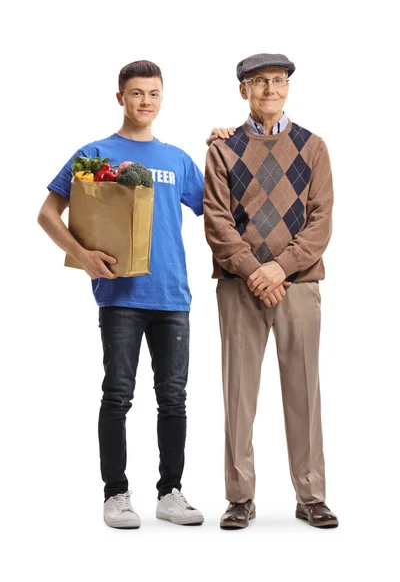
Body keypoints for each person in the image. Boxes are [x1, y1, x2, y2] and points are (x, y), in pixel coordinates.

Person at [37, 60, 205, 529]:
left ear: (161, 99)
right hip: (121, 297)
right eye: (136, 93)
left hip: (173, 296)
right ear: (120, 98)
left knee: (174, 398)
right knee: (118, 395)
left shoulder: (177, 160)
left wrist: (227, 144)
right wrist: (83, 255)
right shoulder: (95, 154)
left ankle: (171, 492)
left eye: (153, 93)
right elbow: (48, 213)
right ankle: (116, 495)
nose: (145, 101)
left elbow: (217, 209)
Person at [204, 53, 338, 529]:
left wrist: (278, 269)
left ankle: (311, 495)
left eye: (277, 81)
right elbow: (218, 224)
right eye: (259, 82)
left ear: (288, 88)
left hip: (298, 286)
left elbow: (320, 223)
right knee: (238, 393)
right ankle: (240, 498)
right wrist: (254, 271)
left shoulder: (313, 147)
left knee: (305, 391)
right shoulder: (222, 150)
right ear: (243, 90)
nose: (269, 90)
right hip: (240, 287)